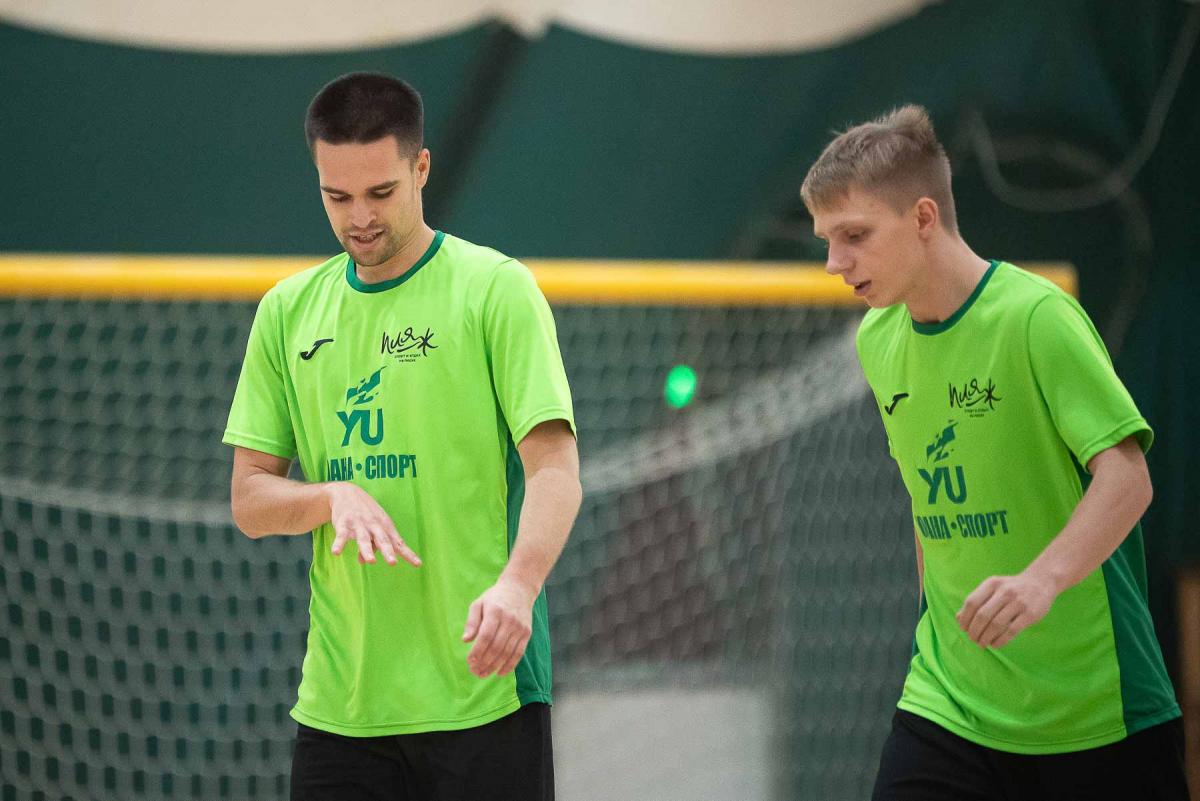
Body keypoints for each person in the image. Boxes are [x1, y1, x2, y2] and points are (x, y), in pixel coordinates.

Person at [802, 105, 1188, 800]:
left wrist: (1039, 582)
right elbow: (926, 497)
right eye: (827, 240)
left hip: (1092, 707)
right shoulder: (878, 340)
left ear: (924, 217)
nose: (836, 262)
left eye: (854, 235)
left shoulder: (1035, 317)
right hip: (949, 700)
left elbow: (1129, 479)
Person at [223, 72, 580, 800]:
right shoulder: (286, 312)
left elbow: (555, 471)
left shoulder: (495, 288)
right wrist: (329, 497)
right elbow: (250, 500)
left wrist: (518, 586)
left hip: (484, 688)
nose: (359, 217)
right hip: (341, 707)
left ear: (421, 168)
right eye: (337, 196)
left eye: (380, 193)